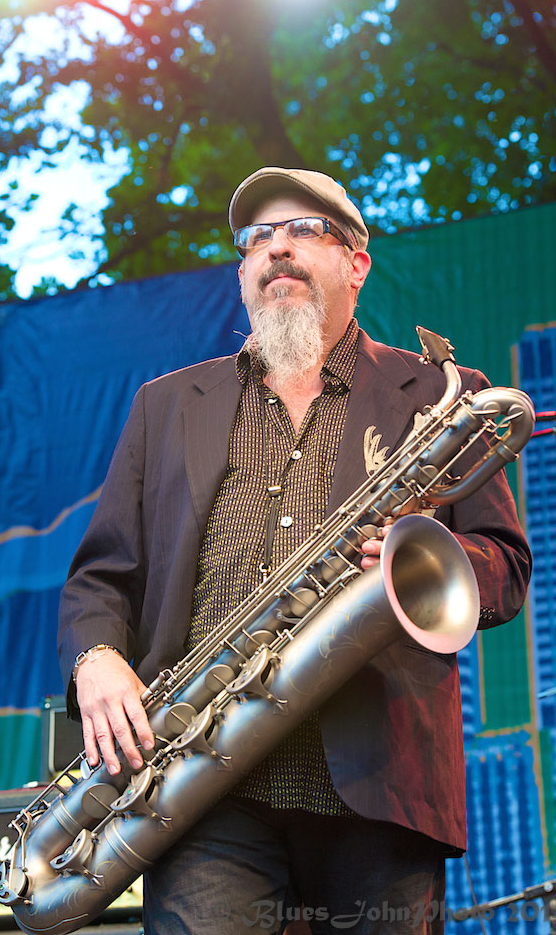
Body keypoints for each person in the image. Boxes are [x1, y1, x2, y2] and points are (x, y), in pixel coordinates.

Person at [58, 167, 531, 935]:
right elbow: (102, 579)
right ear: (243, 273)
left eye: (304, 231)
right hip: (201, 789)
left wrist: (421, 555)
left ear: (357, 263)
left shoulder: (446, 396)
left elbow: (504, 568)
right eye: (258, 239)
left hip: (380, 789)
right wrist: (96, 660)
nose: (277, 250)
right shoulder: (165, 405)